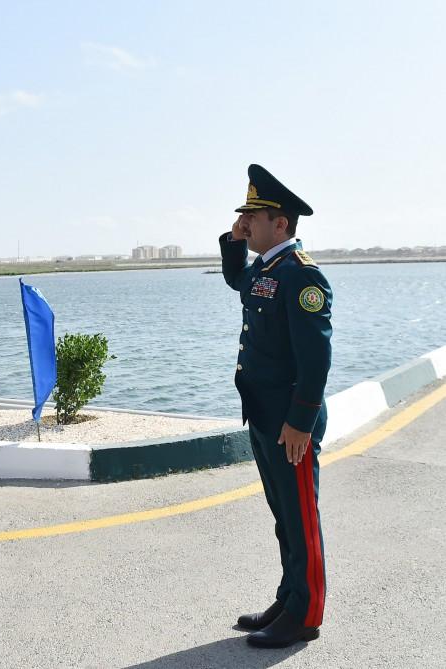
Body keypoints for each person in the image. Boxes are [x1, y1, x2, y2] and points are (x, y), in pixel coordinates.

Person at [219, 164, 332, 649]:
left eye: (254, 216)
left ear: (279, 224)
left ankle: (305, 615)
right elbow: (237, 281)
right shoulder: (266, 271)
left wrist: (300, 422)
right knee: (283, 514)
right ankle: (289, 598)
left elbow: (316, 358)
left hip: (291, 423)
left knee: (301, 517)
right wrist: (234, 236)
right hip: (265, 415)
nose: (247, 223)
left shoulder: (303, 277)